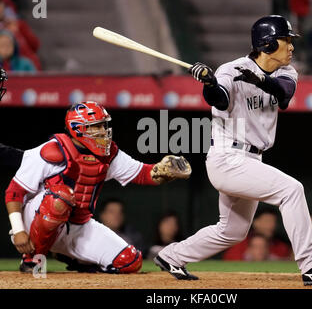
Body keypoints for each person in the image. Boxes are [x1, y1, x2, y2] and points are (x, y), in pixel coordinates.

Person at [154, 15, 312, 286]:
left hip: (251, 159)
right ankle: (311, 265)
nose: (291, 46)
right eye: (285, 40)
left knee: (232, 231)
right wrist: (209, 83)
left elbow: (284, 93)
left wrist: (260, 80)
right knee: (291, 190)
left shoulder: (286, 70)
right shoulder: (231, 70)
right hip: (228, 158)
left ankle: (171, 255)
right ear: (267, 44)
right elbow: (219, 98)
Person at [5, 101, 192, 274]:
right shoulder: (52, 150)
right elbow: (14, 192)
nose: (103, 131)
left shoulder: (108, 153)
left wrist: (163, 171)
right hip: (36, 219)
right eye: (96, 126)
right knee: (59, 198)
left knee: (130, 262)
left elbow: (142, 174)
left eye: (104, 125)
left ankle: (72, 256)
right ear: (78, 129)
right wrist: (19, 230)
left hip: (79, 223)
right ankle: (31, 260)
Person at [223, 209, 292, 261]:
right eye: (267, 221)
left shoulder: (281, 246)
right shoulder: (239, 244)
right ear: (255, 223)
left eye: (273, 222)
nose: (271, 225)